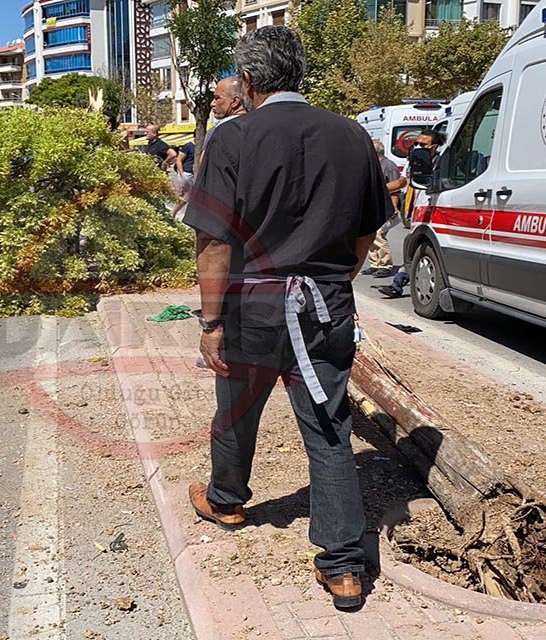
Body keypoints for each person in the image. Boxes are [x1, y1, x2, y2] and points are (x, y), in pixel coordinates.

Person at [183, 26, 390, 612]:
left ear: (247, 81)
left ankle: (226, 499)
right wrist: (334, 282)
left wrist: (210, 320)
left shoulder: (231, 138)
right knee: (328, 427)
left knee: (236, 409)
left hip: (252, 305)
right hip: (324, 306)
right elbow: (365, 234)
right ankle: (344, 566)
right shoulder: (353, 135)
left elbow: (215, 243)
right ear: (299, 74)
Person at [383, 129, 445, 299]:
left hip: (434, 211)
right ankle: (397, 284)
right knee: (413, 247)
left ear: (434, 147)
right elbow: (402, 182)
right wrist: (377, 187)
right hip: (418, 212)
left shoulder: (441, 162)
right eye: (416, 143)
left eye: (423, 144)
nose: (418, 146)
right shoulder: (414, 161)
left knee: (415, 248)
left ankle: (397, 284)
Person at [361, 140, 407, 279]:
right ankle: (375, 263)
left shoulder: (389, 166)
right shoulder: (372, 165)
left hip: (387, 207)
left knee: (379, 234)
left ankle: (385, 265)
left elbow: (396, 190)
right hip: (374, 206)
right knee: (370, 233)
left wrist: (393, 208)